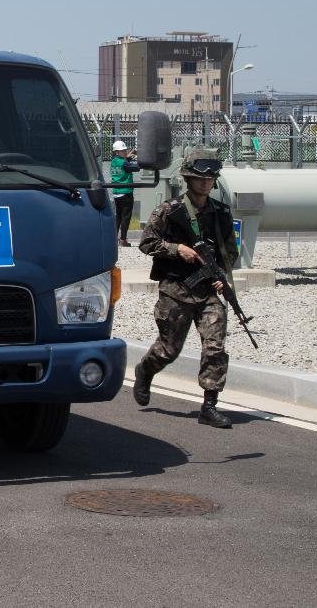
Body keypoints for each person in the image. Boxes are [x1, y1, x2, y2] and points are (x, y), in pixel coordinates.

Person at [134, 147, 240, 428]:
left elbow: (230, 252)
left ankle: (209, 405)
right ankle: (145, 371)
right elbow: (146, 243)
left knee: (215, 347)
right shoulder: (170, 211)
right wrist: (176, 248)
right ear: (188, 179)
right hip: (176, 289)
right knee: (169, 350)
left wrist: (222, 275)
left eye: (209, 179)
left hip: (207, 291)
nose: (205, 182)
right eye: (198, 178)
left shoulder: (220, 213)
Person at [110, 140, 140, 246]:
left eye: (125, 150)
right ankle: (123, 239)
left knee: (118, 216)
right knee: (125, 217)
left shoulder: (113, 161)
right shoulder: (124, 163)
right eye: (122, 151)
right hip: (126, 192)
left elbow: (124, 161)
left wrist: (129, 156)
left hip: (116, 192)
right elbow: (135, 167)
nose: (125, 152)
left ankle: (113, 239)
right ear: (117, 152)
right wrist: (141, 160)